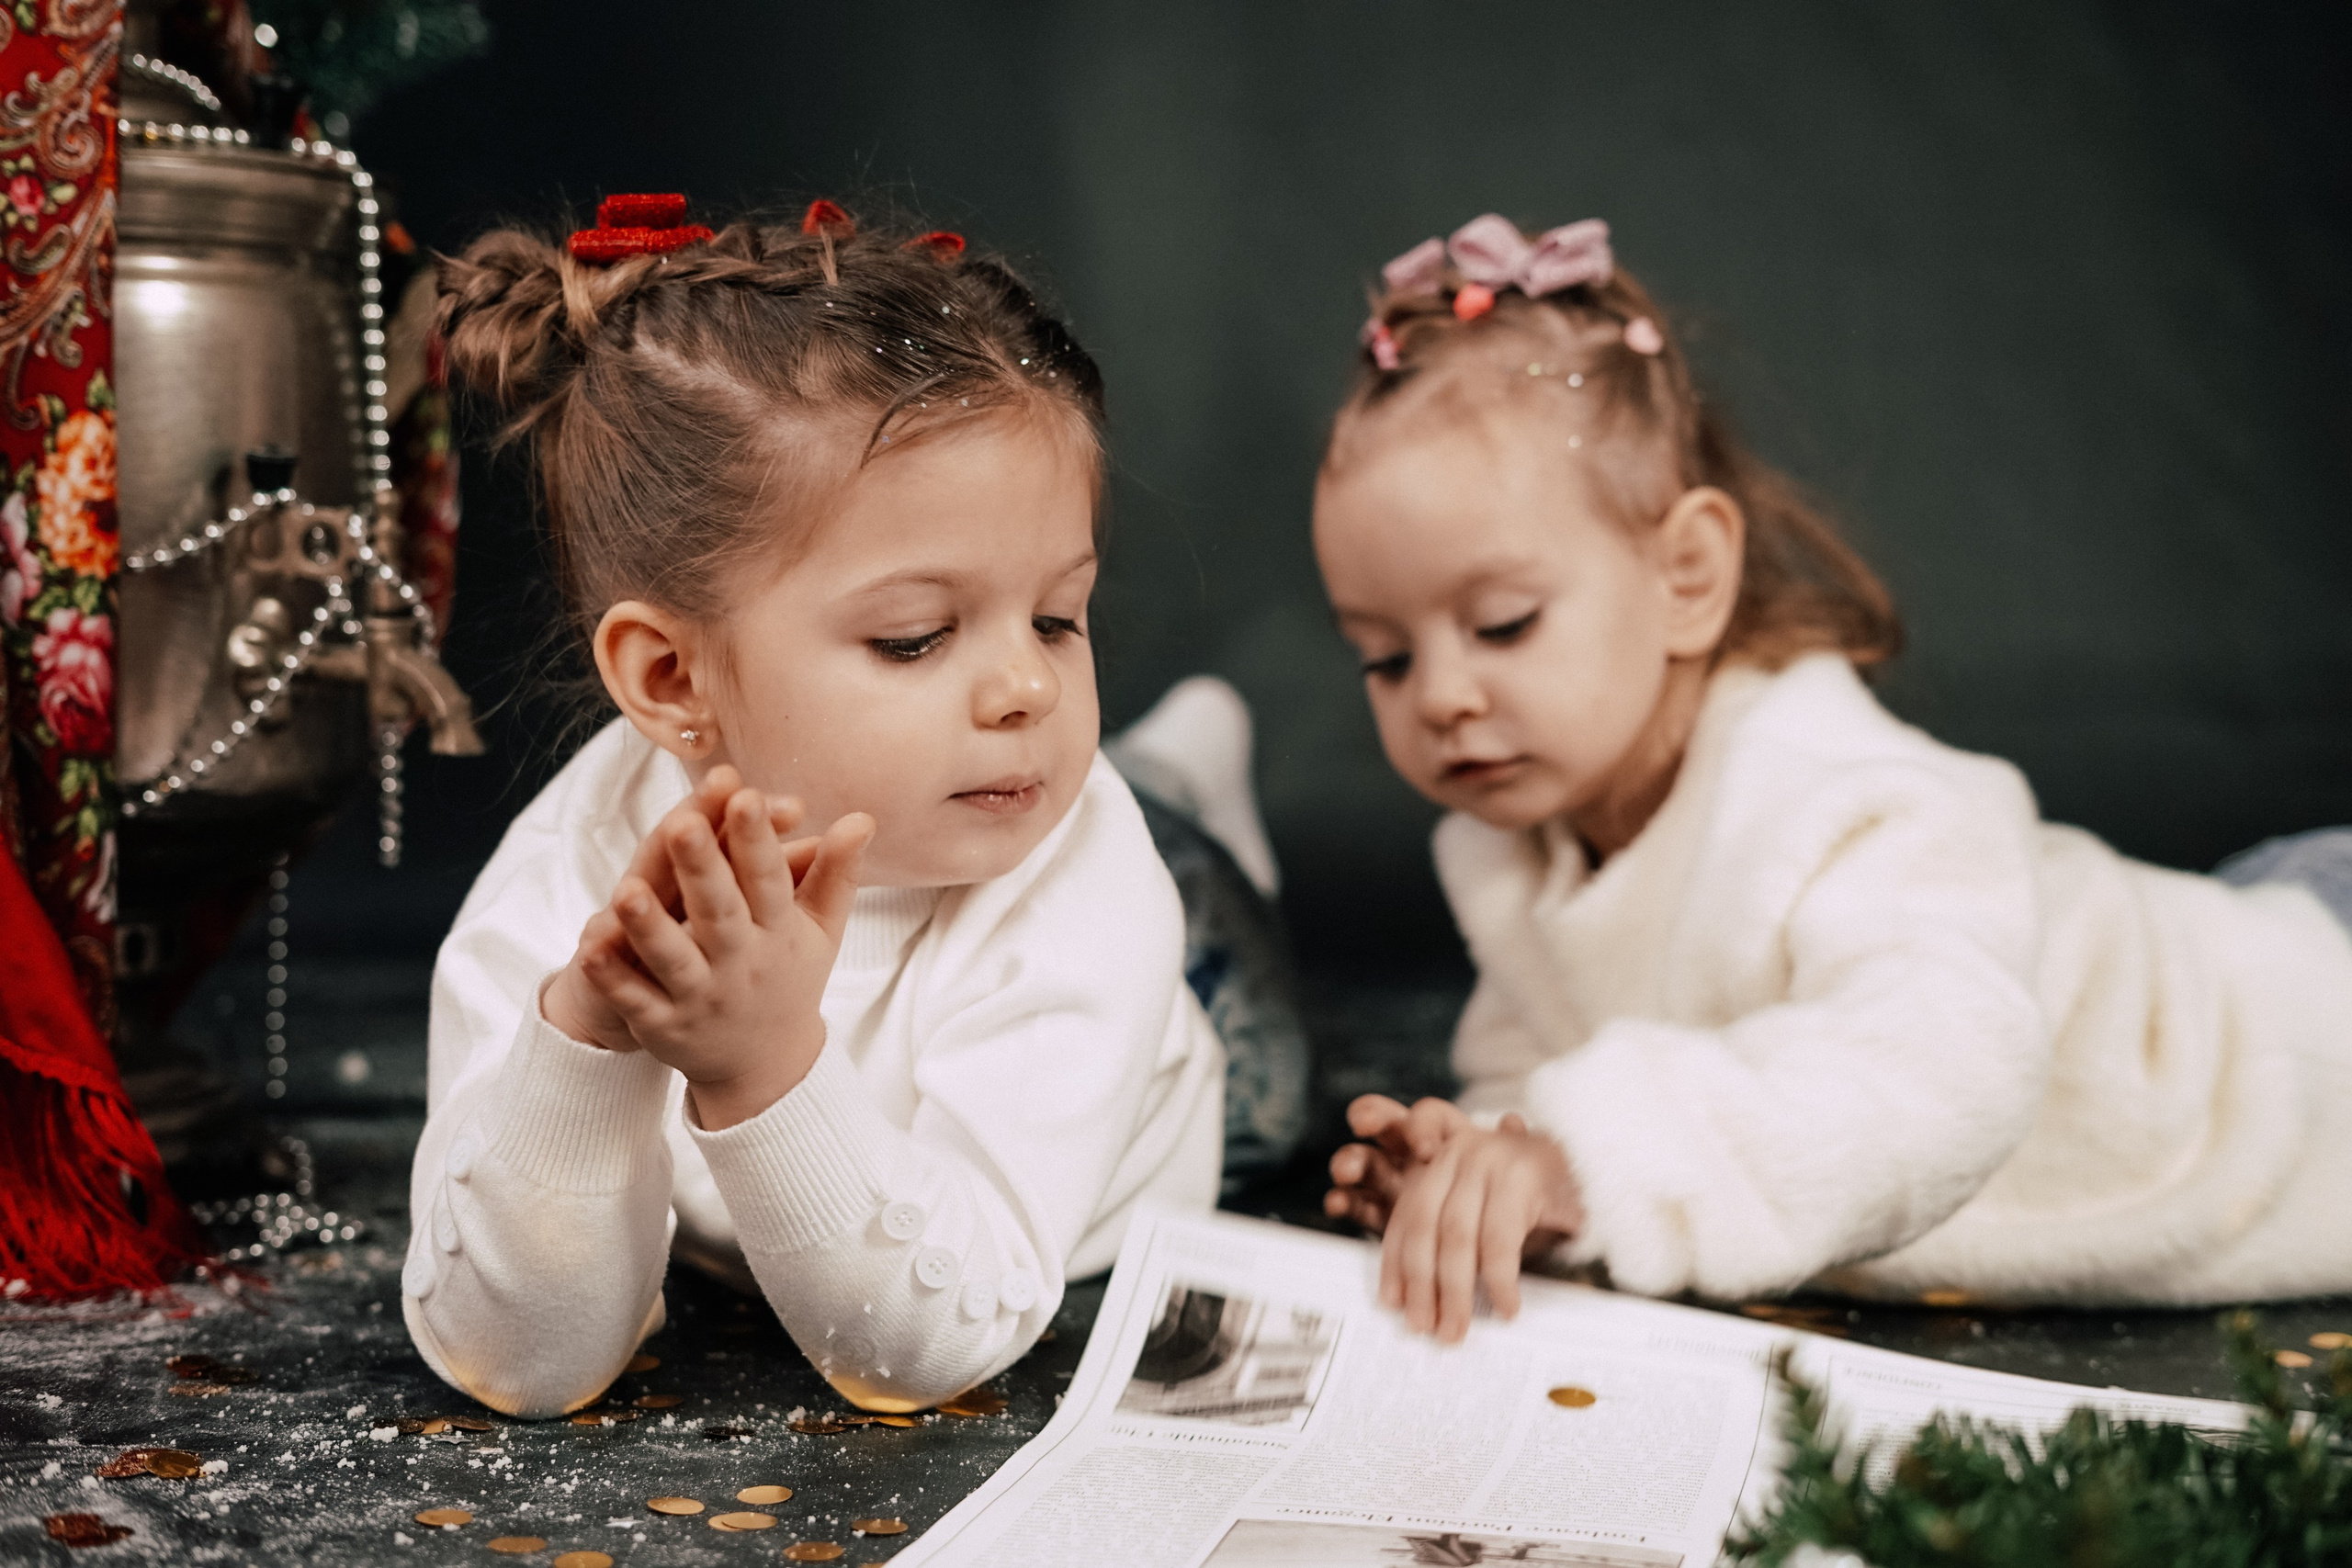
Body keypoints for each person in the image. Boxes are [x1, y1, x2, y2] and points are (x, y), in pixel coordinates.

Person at [1317, 214, 2352, 1341]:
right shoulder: (1513, 848)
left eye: (1503, 623)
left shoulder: (1835, 792)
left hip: (2286, 1028)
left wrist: (1579, 1161)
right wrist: (1479, 1173)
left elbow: (1942, 1067)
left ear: (1686, 576)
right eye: (1385, 656)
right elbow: (1563, 1081)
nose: (1440, 696)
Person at [406, 197, 1302, 1418]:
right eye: (916, 636)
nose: (1031, 685)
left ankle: (1189, 781)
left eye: (1058, 617)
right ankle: (1174, 775)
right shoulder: (573, 877)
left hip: (1180, 1061)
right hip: (973, 840)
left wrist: (765, 1067)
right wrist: (588, 1043)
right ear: (671, 680)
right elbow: (517, 1361)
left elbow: (932, 1344)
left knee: (1248, 1019)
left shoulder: (1086, 885)